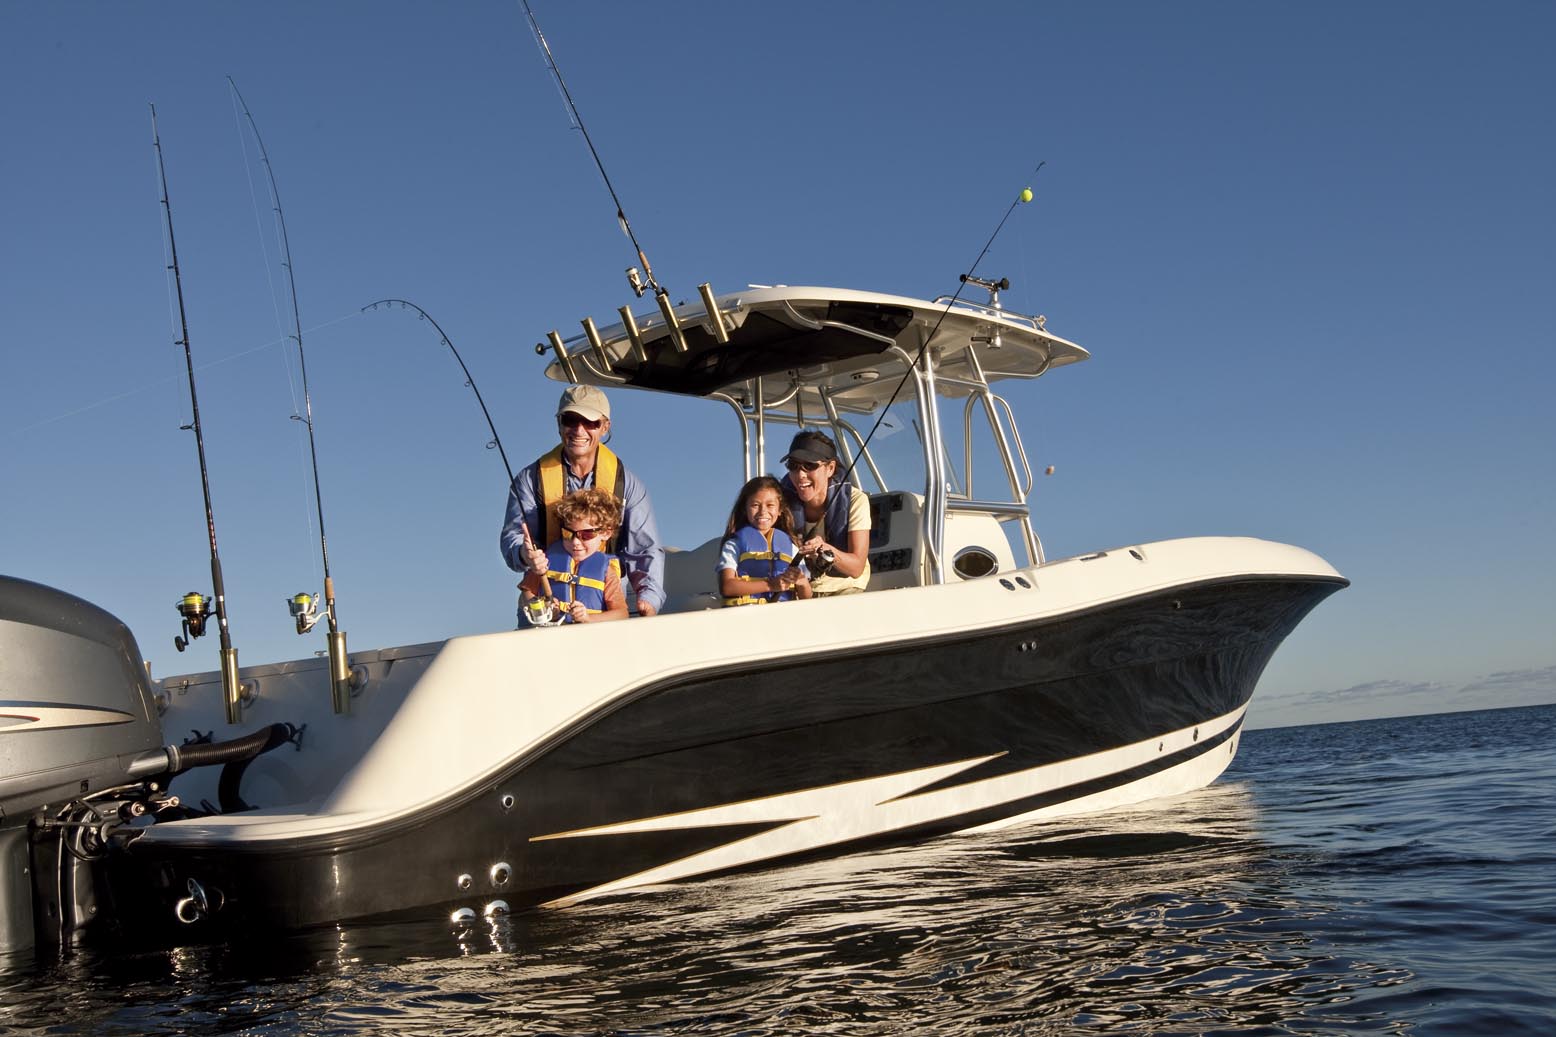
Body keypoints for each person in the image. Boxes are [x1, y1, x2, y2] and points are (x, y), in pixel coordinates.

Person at [501, 384, 665, 616]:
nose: (579, 430)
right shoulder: (530, 480)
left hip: (604, 611)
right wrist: (524, 554)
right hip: (545, 613)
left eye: (590, 423)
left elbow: (645, 550)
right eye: (570, 420)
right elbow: (513, 537)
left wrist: (649, 600)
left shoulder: (627, 484)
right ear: (559, 424)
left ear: (605, 427)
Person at [778, 430, 871, 596]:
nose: (800, 475)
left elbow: (856, 567)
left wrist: (824, 549)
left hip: (845, 589)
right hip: (797, 590)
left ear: (830, 468)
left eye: (810, 465)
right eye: (793, 466)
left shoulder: (856, 501)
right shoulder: (778, 502)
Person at [517, 489, 629, 624]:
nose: (575, 542)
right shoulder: (546, 560)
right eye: (568, 534)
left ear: (605, 533)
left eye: (586, 535)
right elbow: (527, 593)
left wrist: (588, 618)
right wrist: (544, 609)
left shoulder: (606, 571)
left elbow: (621, 614)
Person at [718, 476, 812, 606]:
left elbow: (806, 598)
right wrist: (770, 585)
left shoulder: (792, 547)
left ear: (780, 510)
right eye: (755, 505)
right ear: (745, 509)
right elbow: (727, 587)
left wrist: (802, 583)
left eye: (770, 505)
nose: (763, 511)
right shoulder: (734, 544)